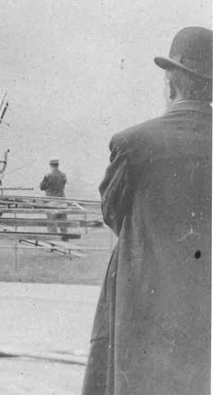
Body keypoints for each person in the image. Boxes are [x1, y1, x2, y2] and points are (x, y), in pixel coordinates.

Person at [82, 26, 212, 395]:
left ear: (171, 84)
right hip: (203, 295)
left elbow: (113, 212)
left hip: (141, 290)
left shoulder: (133, 142)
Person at [40, 159, 69, 240]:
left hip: (51, 203)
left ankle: (54, 242)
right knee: (63, 225)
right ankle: (65, 242)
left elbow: (42, 187)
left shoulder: (48, 176)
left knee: (51, 224)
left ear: (50, 165)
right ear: (58, 165)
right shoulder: (63, 175)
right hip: (62, 202)